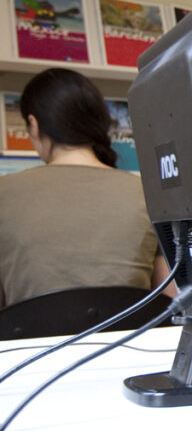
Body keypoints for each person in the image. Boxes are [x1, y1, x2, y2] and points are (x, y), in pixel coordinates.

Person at [0, 68, 175, 309]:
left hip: (31, 335)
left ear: (34, 125)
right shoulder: (146, 192)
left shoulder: (4, 192)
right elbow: (171, 300)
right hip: (130, 333)